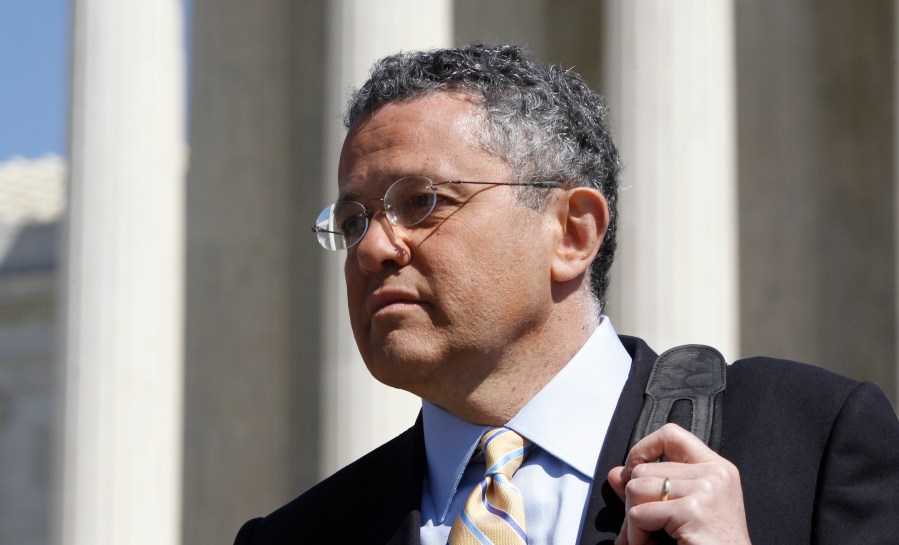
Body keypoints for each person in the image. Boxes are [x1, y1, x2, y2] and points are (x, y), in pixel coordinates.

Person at [233, 44, 899, 545]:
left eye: (421, 202)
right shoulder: (299, 534)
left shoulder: (809, 441)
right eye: (352, 221)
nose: (372, 249)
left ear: (571, 232)